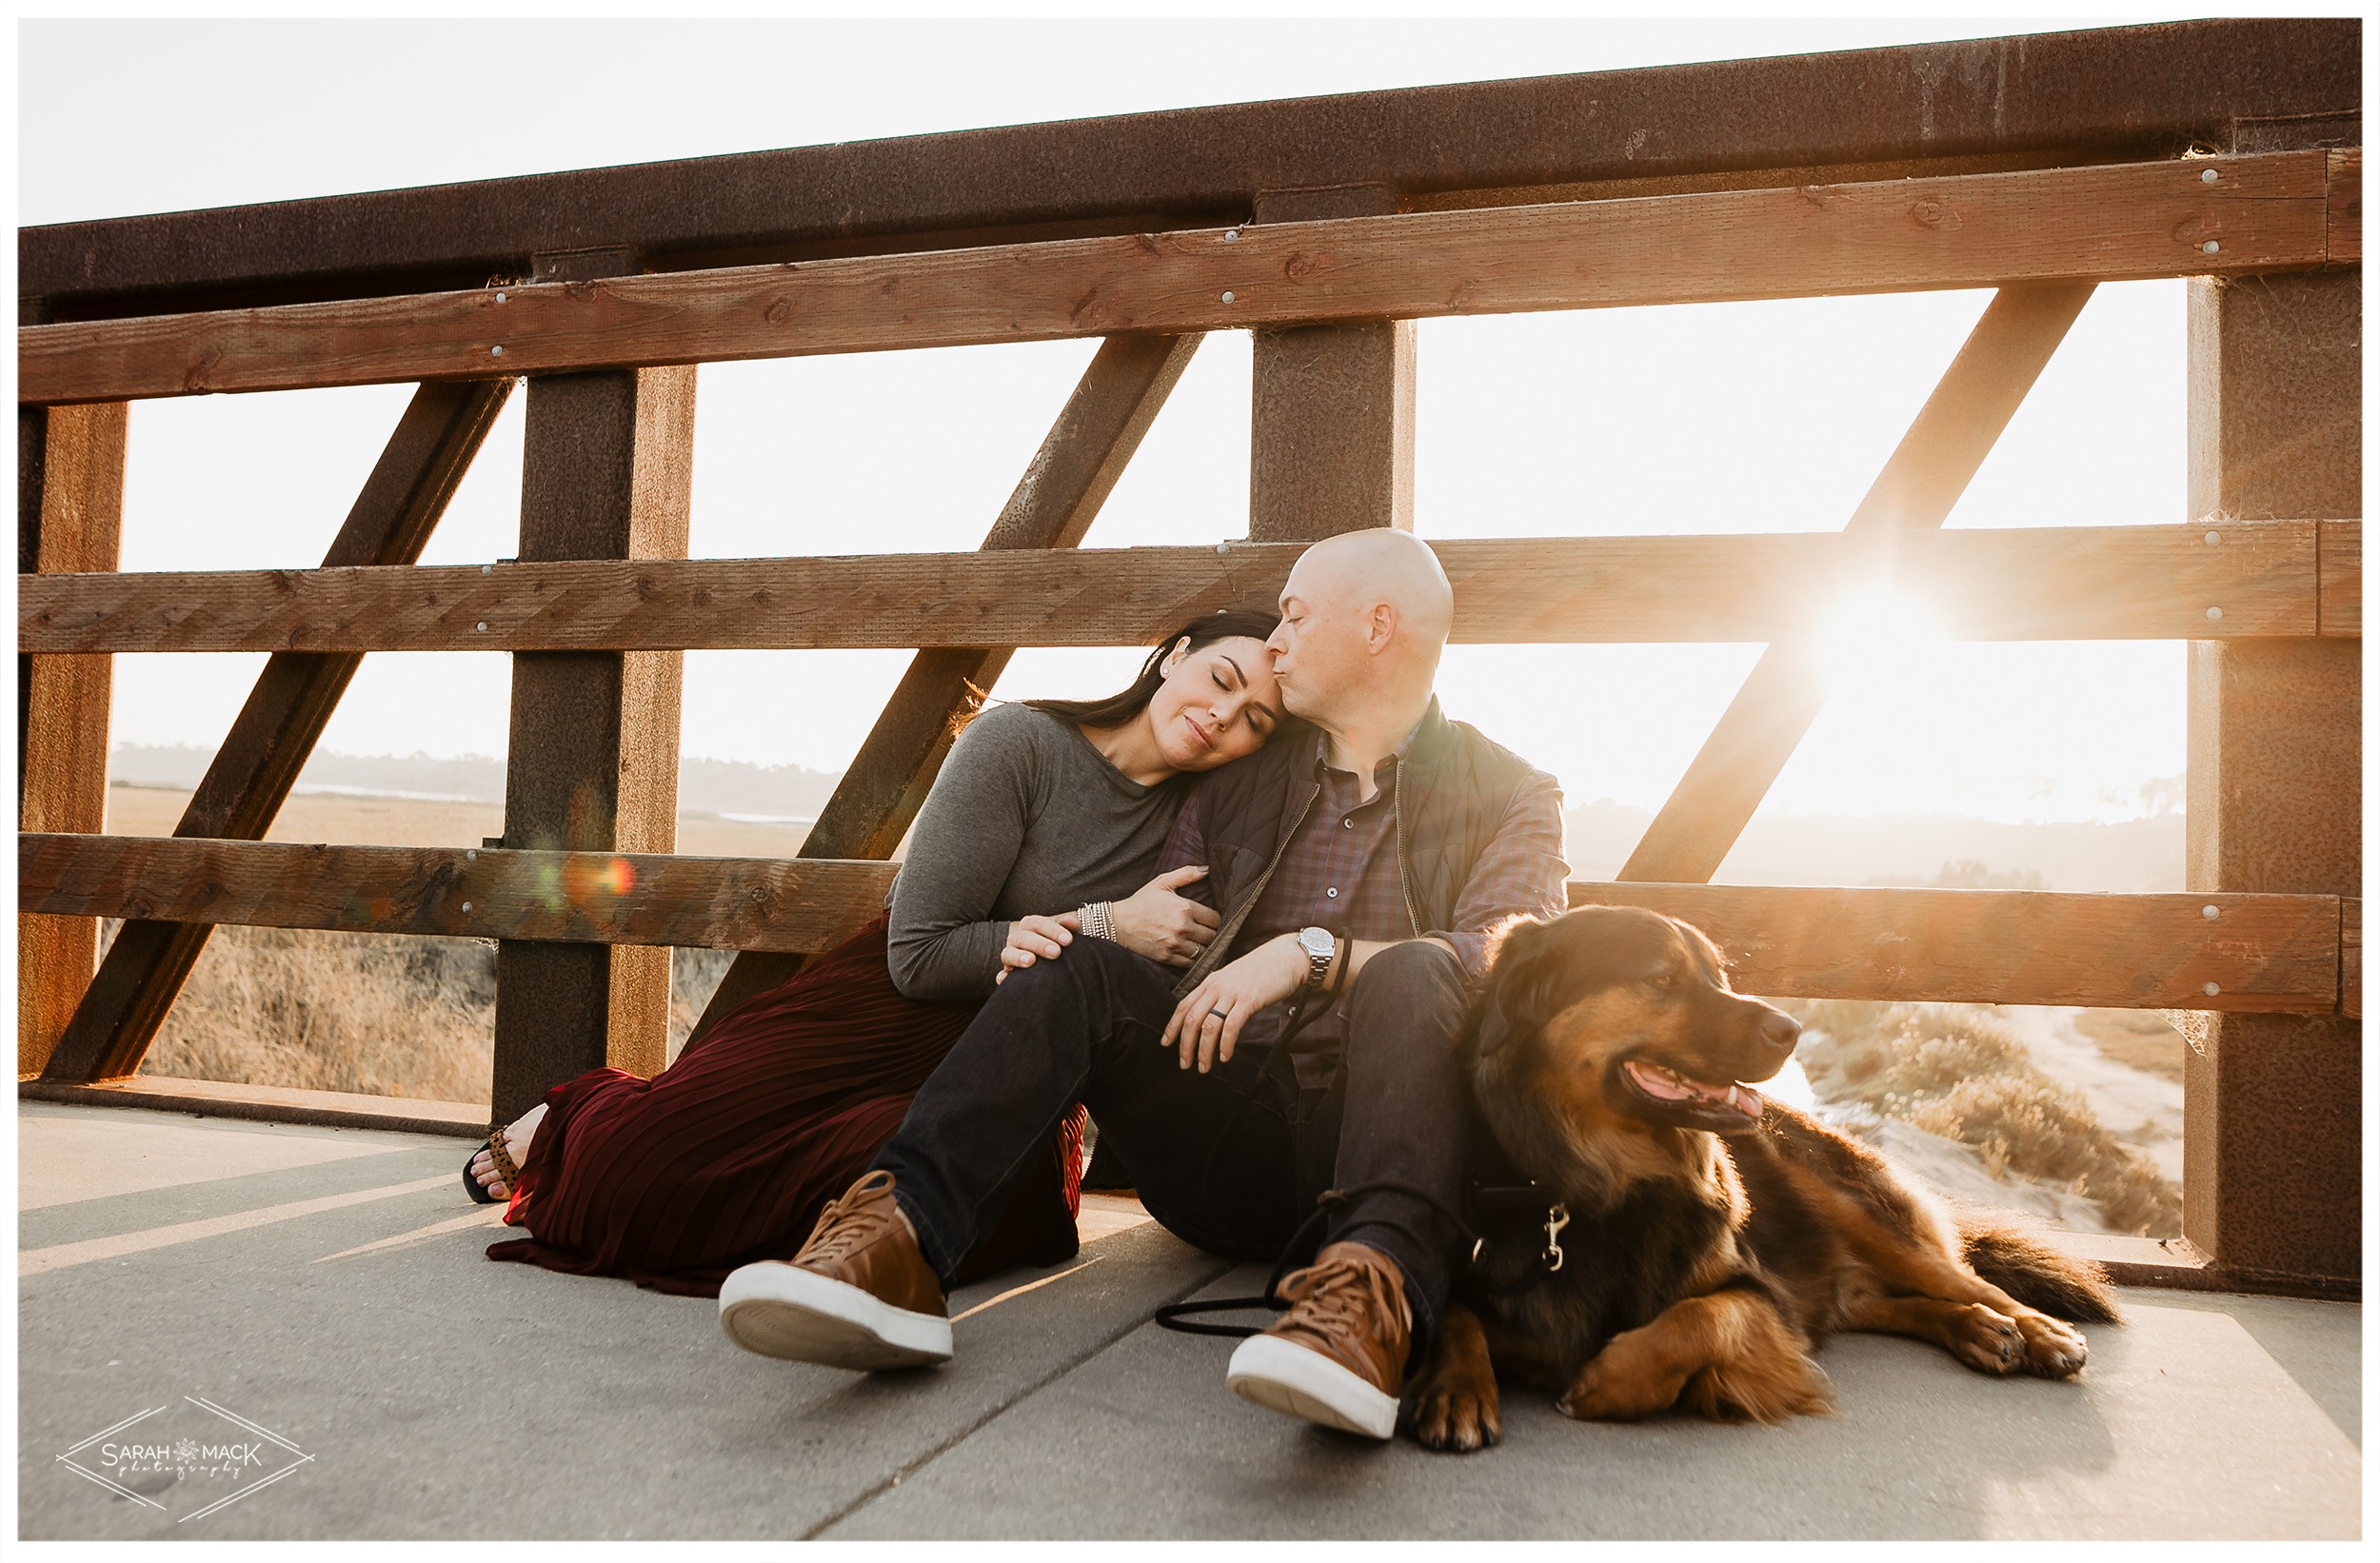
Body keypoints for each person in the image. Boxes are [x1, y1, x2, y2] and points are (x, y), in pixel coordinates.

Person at [716, 528, 1569, 1443]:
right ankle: (897, 1244)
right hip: (1226, 1137)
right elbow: (1137, 954)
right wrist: (1087, 940)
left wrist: (1314, 953)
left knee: (1416, 965)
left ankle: (1367, 1310)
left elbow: (1507, 961)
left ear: (1377, 626)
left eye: (1293, 614)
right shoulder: (1245, 772)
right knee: (1079, 962)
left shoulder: (1511, 792)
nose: (1275, 643)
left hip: (1400, 1158)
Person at [470, 609, 1290, 1296]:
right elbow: (920, 954)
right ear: (1175, 657)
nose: (1226, 716)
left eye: (1257, 720)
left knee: (925, 1197)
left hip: (1010, 1065)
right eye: (1222, 680)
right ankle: (585, 1111)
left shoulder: (1211, 821)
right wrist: (1104, 924)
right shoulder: (1022, 744)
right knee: (649, 1179)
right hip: (878, 1015)